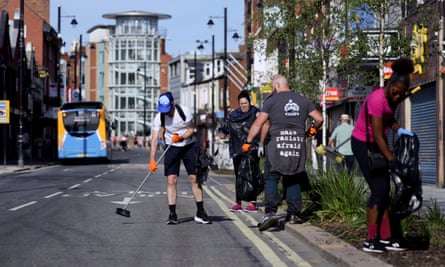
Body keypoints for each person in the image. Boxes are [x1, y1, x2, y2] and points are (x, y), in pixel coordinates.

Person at [242, 74, 323, 230]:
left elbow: (259, 123)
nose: (272, 89)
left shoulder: (271, 101)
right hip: (296, 146)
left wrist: (248, 142)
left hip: (276, 146)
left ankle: (270, 212)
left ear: (278, 85)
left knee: (271, 177)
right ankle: (294, 214)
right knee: (293, 177)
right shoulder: (303, 100)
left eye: (273, 86)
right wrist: (310, 132)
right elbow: (319, 119)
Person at [351, 57, 414, 253]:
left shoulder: (394, 97)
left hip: (378, 144)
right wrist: (392, 160)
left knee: (385, 190)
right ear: (389, 84)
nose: (397, 97)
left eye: (401, 95)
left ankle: (386, 237)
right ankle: (370, 240)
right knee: (379, 189)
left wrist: (399, 129)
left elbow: (388, 120)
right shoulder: (377, 99)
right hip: (364, 143)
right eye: (395, 92)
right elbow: (377, 135)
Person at [149, 92, 211, 225]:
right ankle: (172, 214)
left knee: (194, 178)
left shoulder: (184, 112)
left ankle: (200, 212)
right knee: (171, 180)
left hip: (188, 145)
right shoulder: (159, 117)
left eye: (168, 109)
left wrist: (181, 137)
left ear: (173, 104)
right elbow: (154, 140)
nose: (166, 112)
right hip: (171, 147)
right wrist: (152, 160)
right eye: (163, 110)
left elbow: (191, 129)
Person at [227, 90, 261, 212]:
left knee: (252, 175)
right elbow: (227, 128)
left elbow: (261, 126)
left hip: (252, 149)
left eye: (245, 103)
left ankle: (253, 203)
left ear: (249, 102)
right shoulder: (234, 115)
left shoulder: (256, 112)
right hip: (237, 150)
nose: (243, 106)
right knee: (239, 176)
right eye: (241, 104)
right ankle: (238, 202)